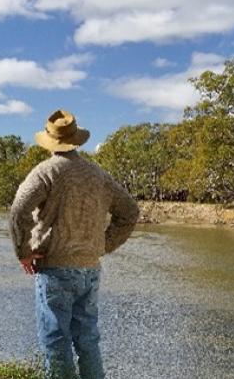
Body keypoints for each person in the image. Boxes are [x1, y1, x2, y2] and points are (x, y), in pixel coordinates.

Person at [11, 110, 140, 379]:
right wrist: (103, 245)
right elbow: (130, 212)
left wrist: (23, 252)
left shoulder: (46, 172)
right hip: (90, 269)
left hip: (55, 267)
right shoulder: (97, 174)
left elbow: (18, 212)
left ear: (50, 141)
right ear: (76, 140)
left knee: (56, 339)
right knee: (88, 339)